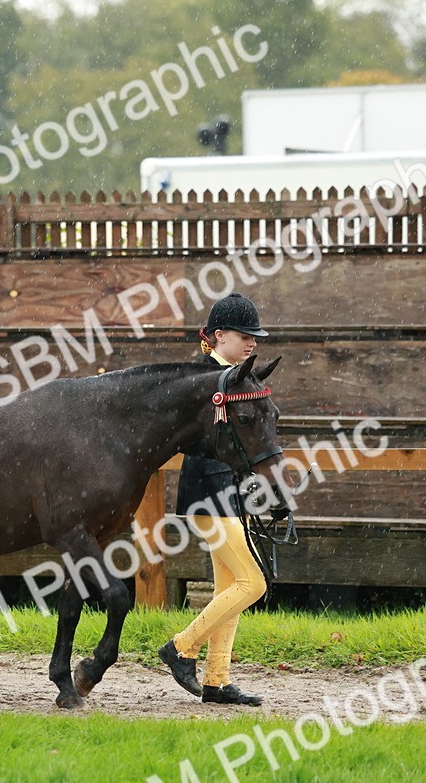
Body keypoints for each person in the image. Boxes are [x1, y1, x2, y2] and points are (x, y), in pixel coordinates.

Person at [158, 292, 270, 706]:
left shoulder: (234, 379)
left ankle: (217, 680)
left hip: (228, 494)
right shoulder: (204, 380)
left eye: (256, 336)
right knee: (252, 582)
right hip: (207, 494)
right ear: (219, 336)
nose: (253, 343)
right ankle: (181, 648)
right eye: (245, 335)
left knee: (230, 588)